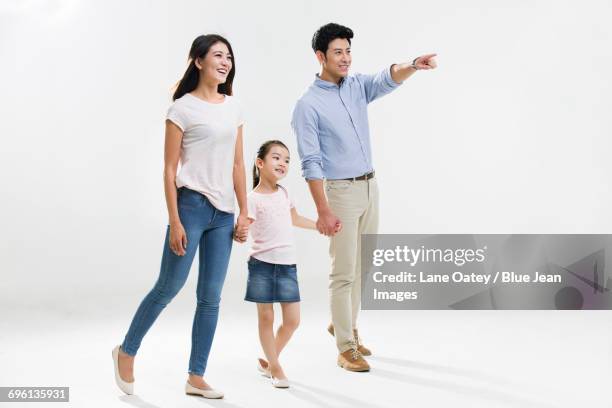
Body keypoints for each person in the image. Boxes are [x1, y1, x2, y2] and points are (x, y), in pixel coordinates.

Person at [291, 23, 437, 372]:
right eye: (338, 52)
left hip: (371, 187)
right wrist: (322, 210)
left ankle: (342, 324)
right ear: (320, 56)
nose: (345, 58)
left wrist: (414, 64)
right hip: (340, 192)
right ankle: (345, 346)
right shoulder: (308, 105)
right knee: (344, 273)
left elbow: (385, 78)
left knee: (363, 268)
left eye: (348, 51)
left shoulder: (356, 87)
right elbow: (310, 163)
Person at [111, 34, 250, 399]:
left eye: (229, 57)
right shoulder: (182, 109)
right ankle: (126, 351)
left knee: (211, 297)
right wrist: (174, 219)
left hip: (223, 214)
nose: (225, 62)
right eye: (218, 55)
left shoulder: (233, 107)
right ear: (199, 61)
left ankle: (196, 376)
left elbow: (238, 165)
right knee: (168, 287)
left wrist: (245, 212)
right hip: (190, 207)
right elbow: (169, 169)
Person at [245, 140, 317, 388]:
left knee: (292, 321)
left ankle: (267, 360)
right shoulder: (251, 198)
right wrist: (238, 231)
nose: (283, 163)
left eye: (287, 160)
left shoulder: (286, 193)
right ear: (260, 163)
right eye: (276, 157)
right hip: (262, 265)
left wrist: (319, 225)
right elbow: (244, 227)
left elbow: (295, 218)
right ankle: (275, 368)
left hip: (287, 265)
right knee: (266, 318)